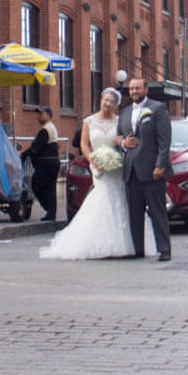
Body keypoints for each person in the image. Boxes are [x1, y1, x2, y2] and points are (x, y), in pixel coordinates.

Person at [40, 89, 141, 259]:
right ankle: (98, 241)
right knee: (102, 196)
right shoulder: (89, 121)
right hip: (98, 165)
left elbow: (122, 140)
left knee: (118, 198)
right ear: (101, 99)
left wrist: (120, 144)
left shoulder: (119, 121)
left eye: (111, 102)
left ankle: (122, 243)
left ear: (115, 105)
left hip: (115, 165)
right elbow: (84, 144)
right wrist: (92, 159)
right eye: (106, 100)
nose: (107, 103)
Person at [116, 77, 172, 261]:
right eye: (131, 89)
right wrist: (123, 143)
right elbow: (118, 138)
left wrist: (160, 165)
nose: (134, 92)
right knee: (134, 212)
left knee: (157, 211)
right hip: (131, 170)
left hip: (152, 170)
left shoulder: (158, 109)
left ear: (146, 89)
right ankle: (137, 249)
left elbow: (164, 141)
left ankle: (164, 249)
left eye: (137, 88)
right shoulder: (123, 112)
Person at [21, 107, 61, 222]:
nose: (39, 116)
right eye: (38, 114)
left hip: (46, 163)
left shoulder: (45, 130)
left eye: (41, 114)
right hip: (53, 162)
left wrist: (23, 155)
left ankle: (49, 208)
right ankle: (51, 213)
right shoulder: (51, 127)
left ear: (48, 115)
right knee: (50, 187)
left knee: (36, 185)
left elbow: (36, 148)